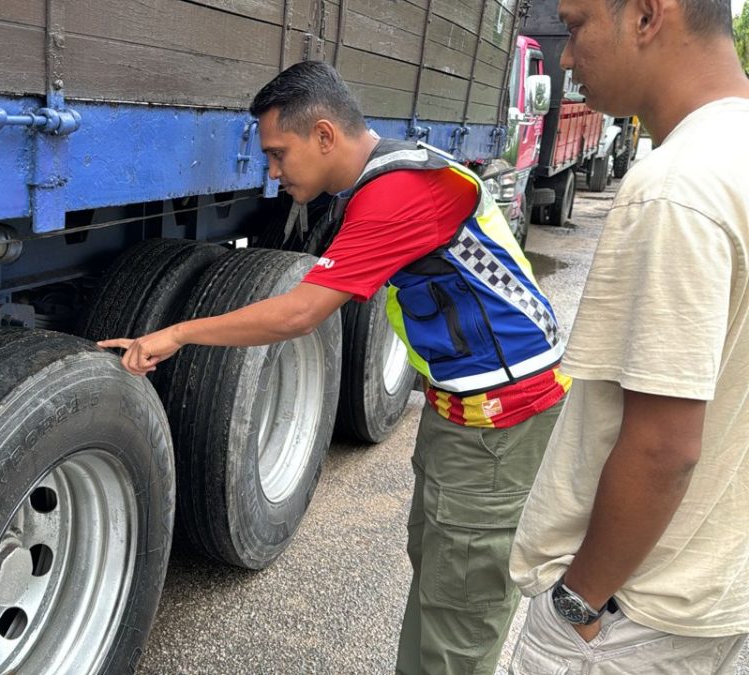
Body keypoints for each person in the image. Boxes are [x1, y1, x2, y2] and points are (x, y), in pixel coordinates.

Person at [98, 60, 570, 675]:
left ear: (324, 135)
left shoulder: (396, 193)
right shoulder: (397, 171)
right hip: (471, 408)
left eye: (278, 152)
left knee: (460, 610)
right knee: (440, 576)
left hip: (501, 420)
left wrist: (178, 333)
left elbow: (300, 314)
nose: (271, 172)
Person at [507, 0, 749, 672]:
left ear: (646, 16)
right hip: (714, 594)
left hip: (629, 619)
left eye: (577, 24)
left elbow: (663, 446)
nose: (564, 55)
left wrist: (578, 604)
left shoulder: (677, 186)